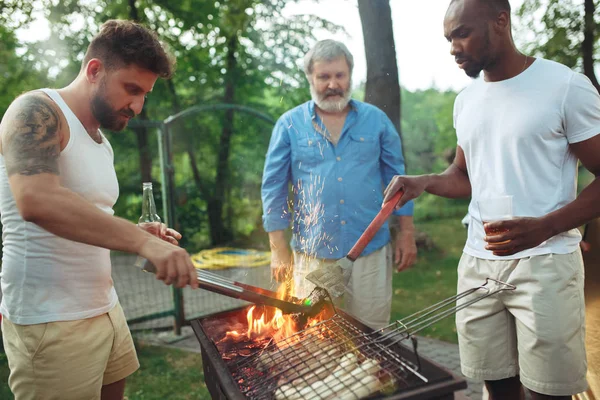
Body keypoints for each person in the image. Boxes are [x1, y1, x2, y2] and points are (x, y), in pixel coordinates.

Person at [383, 0, 600, 399]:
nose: (453, 47)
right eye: (449, 38)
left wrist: (546, 226)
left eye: (462, 33)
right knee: (496, 387)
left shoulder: (565, 85)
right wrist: (424, 181)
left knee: (546, 393)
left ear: (501, 21)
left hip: (546, 263)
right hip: (478, 264)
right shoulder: (466, 100)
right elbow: (465, 175)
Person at [0, 20, 199, 400]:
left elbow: (89, 217)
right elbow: (36, 199)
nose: (138, 106)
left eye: (146, 95)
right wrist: (144, 246)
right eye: (132, 89)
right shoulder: (37, 111)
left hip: (104, 307)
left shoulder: (100, 141)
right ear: (94, 70)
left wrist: (141, 235)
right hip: (51, 321)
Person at [261, 39, 417, 330]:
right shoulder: (289, 124)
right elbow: (273, 187)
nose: (333, 84)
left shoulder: (377, 121)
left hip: (369, 248)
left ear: (350, 75)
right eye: (323, 77)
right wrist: (277, 248)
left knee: (371, 333)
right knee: (309, 334)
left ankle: (370, 377)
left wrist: (407, 233)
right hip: (311, 253)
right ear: (311, 78)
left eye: (339, 75)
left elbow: (400, 181)